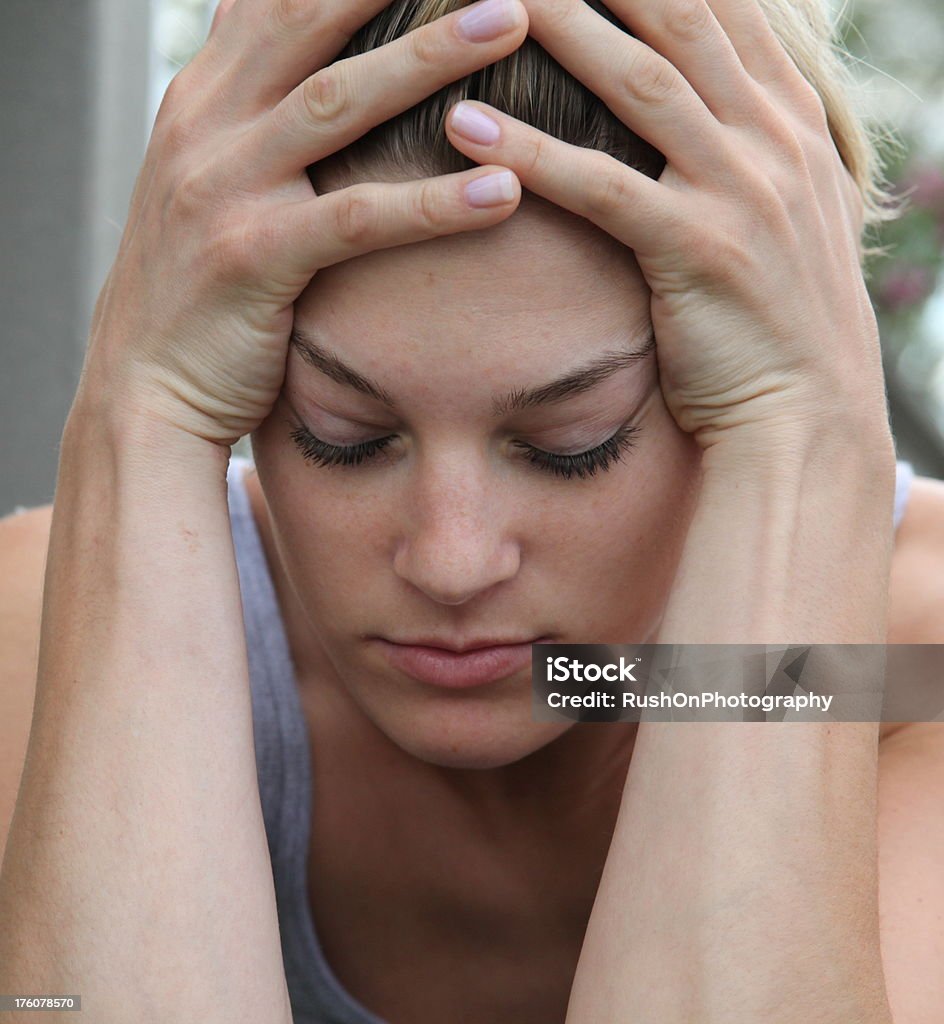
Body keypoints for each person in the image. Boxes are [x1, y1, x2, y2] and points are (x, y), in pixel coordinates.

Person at [0, 0, 942, 1021]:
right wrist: (139, 415)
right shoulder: (41, 630)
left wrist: (803, 429)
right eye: (342, 433)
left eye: (569, 444)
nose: (450, 563)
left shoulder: (906, 671)